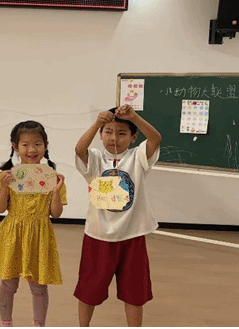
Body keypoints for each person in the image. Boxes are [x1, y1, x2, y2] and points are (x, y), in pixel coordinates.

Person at [73, 104, 162, 327]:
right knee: (89, 290)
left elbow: (155, 139)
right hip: (98, 236)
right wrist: (97, 122)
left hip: (132, 236)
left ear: (133, 137)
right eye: (108, 132)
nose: (114, 138)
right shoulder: (95, 159)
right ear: (101, 135)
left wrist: (134, 117)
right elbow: (79, 149)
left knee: (135, 293)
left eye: (122, 133)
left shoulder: (137, 157)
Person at [0, 121, 67, 327]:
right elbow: (0, 208)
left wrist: (56, 192)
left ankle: (39, 324)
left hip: (40, 235)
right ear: (15, 146)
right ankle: (6, 323)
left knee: (39, 286)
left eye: (38, 144)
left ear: (46, 146)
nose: (32, 150)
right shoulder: (6, 176)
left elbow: (56, 213)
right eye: (25, 145)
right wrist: (4, 186)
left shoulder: (52, 177)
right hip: (13, 234)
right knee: (8, 282)